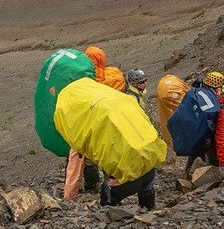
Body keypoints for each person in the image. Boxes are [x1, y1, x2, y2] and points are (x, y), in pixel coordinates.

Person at [51, 76, 166, 210]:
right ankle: (149, 211)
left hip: (123, 184)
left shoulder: (85, 129)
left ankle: (113, 215)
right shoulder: (123, 103)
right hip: (149, 170)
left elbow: (74, 171)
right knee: (144, 177)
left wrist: (68, 200)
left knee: (108, 198)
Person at [180, 78, 224, 173]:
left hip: (197, 142)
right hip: (212, 147)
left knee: (198, 167)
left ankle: (188, 173)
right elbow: (221, 139)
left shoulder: (214, 97)